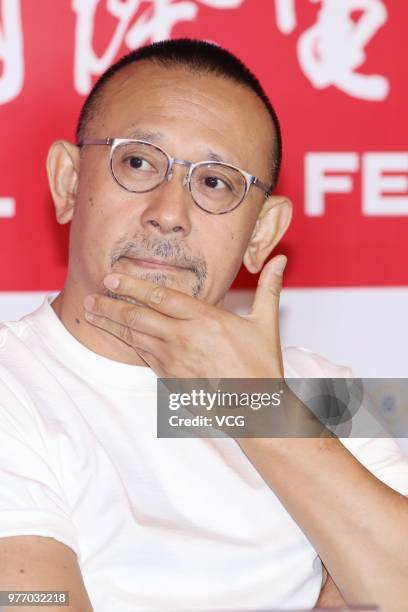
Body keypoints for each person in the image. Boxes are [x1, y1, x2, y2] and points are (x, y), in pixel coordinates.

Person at [0, 38, 407, 612]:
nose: (169, 213)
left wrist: (261, 409)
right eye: (138, 162)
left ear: (262, 233)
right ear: (69, 182)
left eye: (215, 182)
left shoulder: (324, 390)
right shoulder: (11, 386)